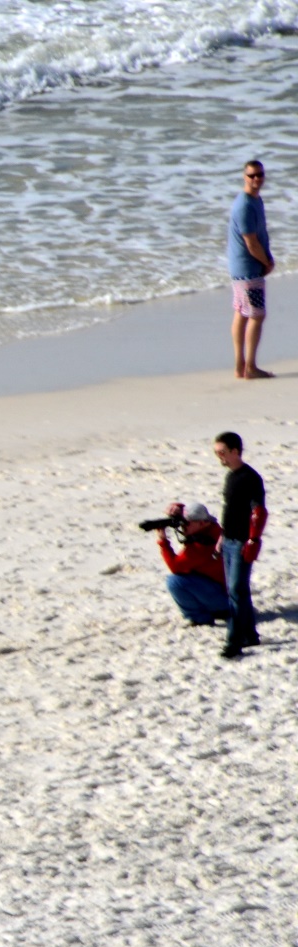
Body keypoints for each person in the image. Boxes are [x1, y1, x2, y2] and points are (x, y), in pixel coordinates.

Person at [213, 432, 267, 658]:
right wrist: (221, 537)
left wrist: (253, 539)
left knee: (236, 590)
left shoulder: (250, 478)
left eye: (222, 453)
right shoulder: (231, 476)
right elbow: (230, 510)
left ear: (235, 451)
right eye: (217, 453)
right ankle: (250, 634)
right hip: (229, 540)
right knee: (238, 590)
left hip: (242, 542)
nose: (220, 457)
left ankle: (233, 642)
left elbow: (259, 511)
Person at [228, 160, 275, 379]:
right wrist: (266, 262)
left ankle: (240, 366)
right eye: (252, 175)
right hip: (247, 269)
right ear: (244, 177)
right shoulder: (244, 206)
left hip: (244, 268)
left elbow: (261, 235)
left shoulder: (256, 200)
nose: (256, 179)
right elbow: (251, 243)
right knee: (257, 315)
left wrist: (268, 257)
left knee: (242, 313)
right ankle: (250, 367)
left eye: (259, 175)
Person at [155, 501, 231, 626]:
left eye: (186, 523)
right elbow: (193, 513)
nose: (182, 526)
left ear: (202, 523)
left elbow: (175, 566)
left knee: (175, 582)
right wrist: (178, 509)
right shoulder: (213, 528)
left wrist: (163, 542)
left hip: (222, 599)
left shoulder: (202, 544)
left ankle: (200, 617)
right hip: (225, 592)